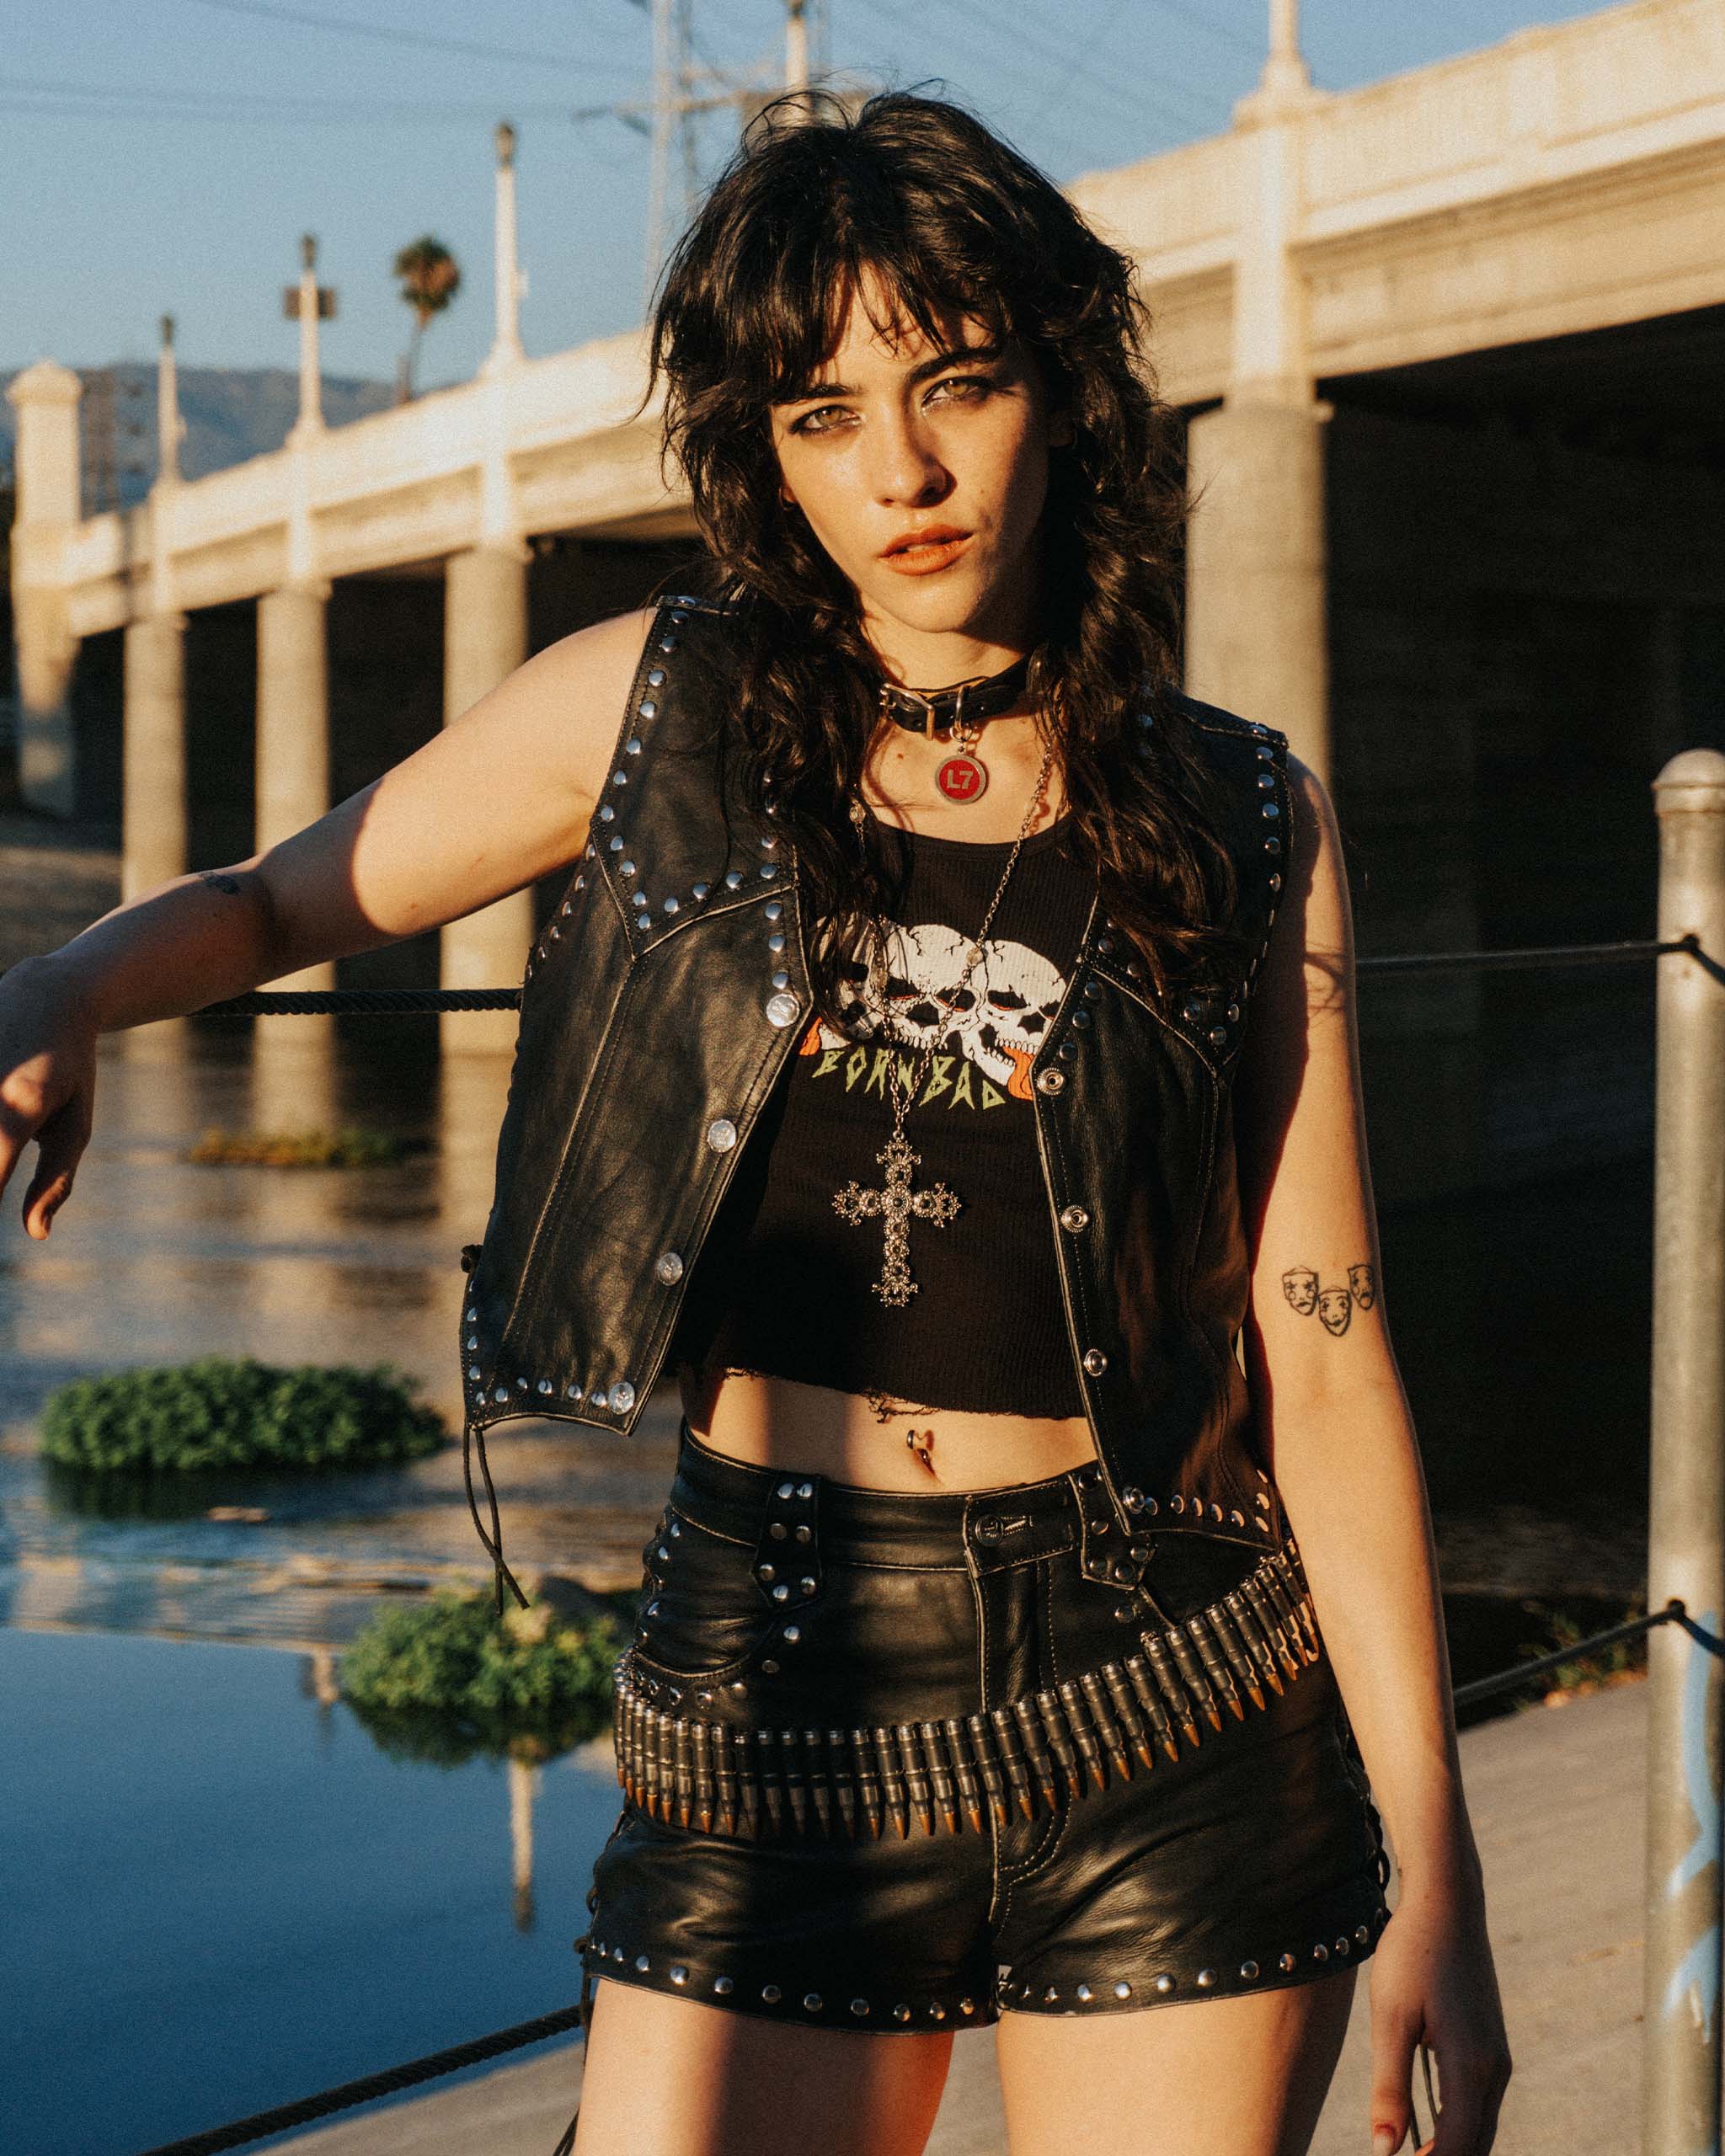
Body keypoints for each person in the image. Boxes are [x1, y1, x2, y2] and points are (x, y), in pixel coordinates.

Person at [0, 87, 1509, 2156]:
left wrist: (1441, 1861)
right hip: (774, 1681)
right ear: (759, 450)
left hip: (1173, 1688)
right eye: (819, 414)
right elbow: (289, 894)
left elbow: (1320, 1345)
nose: (898, 471)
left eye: (956, 385)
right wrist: (64, 987)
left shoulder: (1245, 809)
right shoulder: (661, 711)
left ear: (1061, 393)